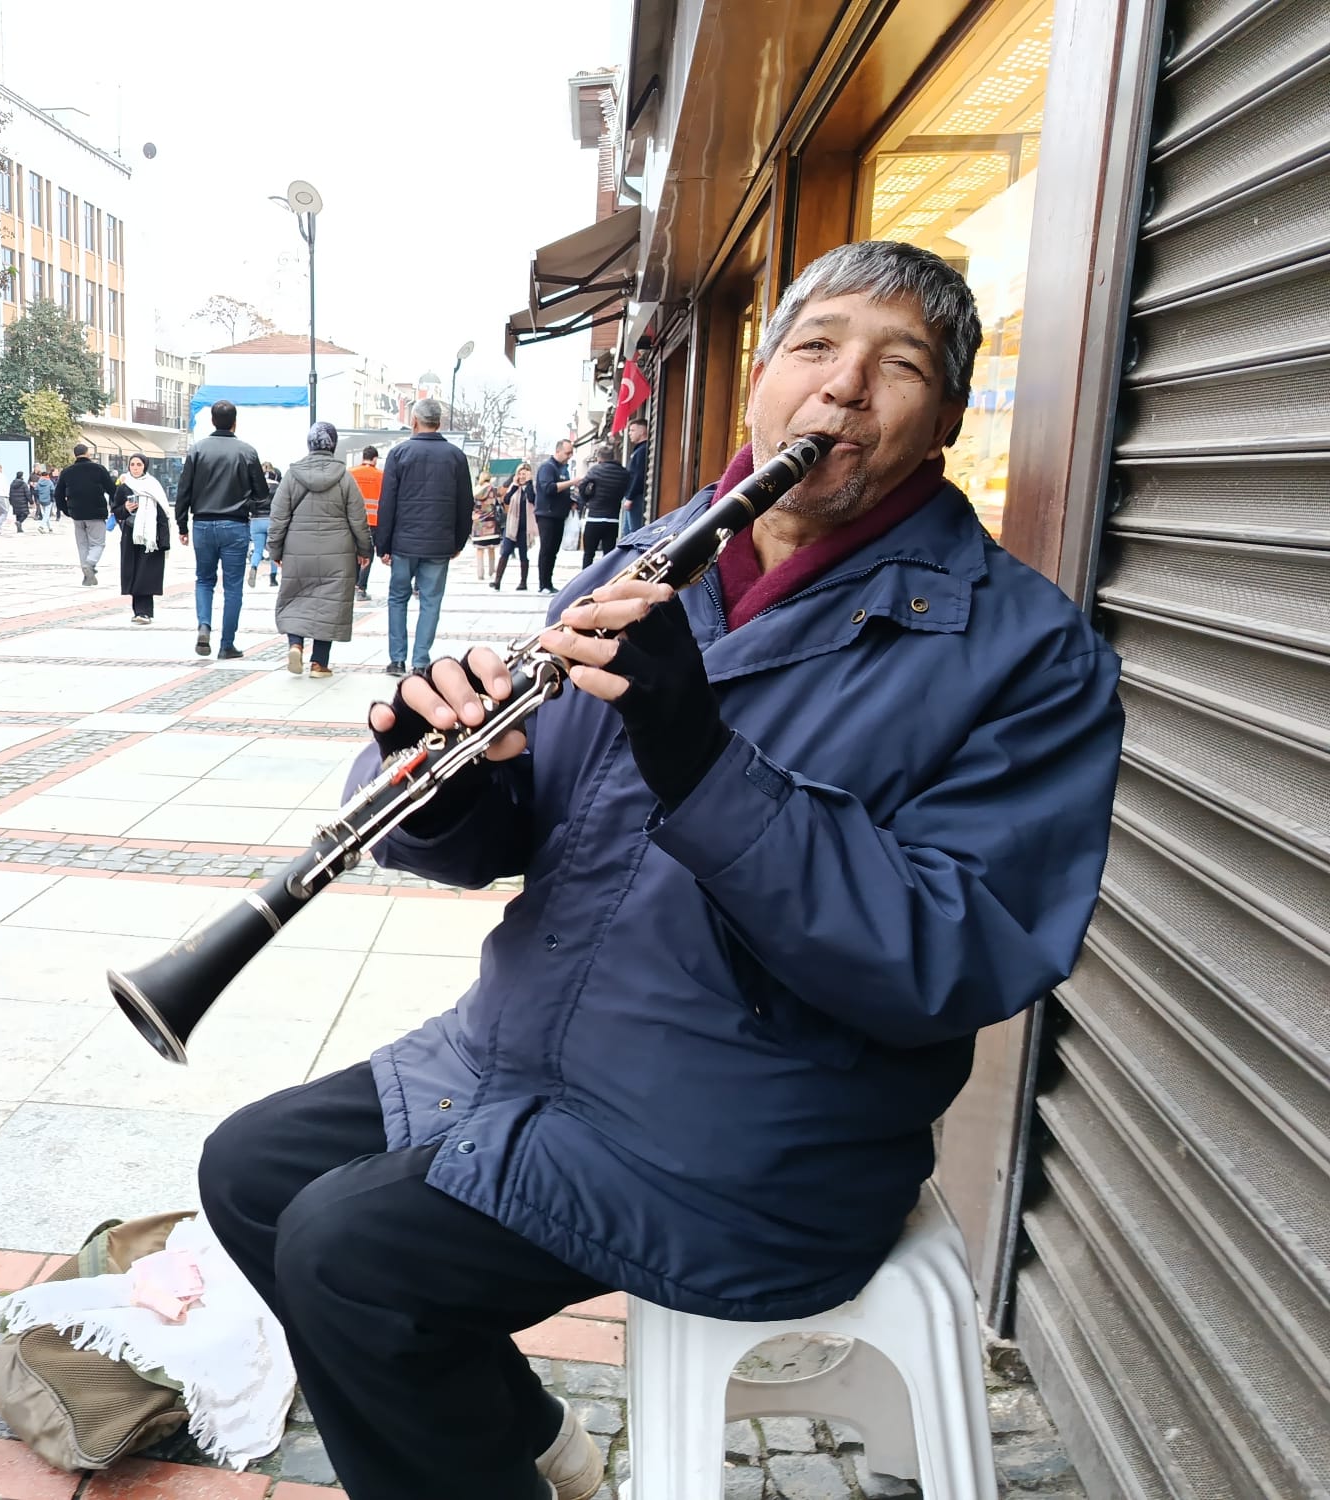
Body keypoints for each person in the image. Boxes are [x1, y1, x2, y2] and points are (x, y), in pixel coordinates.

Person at [198, 240, 1126, 1500]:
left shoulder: (1028, 655)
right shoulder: (646, 563)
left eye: (897, 366)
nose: (842, 387)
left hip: (759, 1134)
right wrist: (447, 783)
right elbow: (521, 824)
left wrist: (702, 761)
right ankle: (534, 1449)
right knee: (250, 1172)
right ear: (760, 376)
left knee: (349, 1257)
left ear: (947, 419)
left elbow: (951, 955)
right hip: (521, 1052)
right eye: (815, 347)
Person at [374, 398, 473, 677]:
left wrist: (383, 544)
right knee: (431, 601)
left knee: (398, 598)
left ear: (414, 421)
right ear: (439, 423)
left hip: (403, 543)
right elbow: (465, 502)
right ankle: (420, 662)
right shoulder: (456, 456)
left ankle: (397, 660)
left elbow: (387, 501)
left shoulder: (399, 453)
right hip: (439, 543)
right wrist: (458, 541)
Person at [269, 421, 372, 678]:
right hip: (338, 552)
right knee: (329, 604)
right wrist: (365, 550)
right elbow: (358, 519)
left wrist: (275, 551)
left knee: (295, 597)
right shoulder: (345, 478)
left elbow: (278, 518)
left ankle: (295, 645)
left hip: (298, 549)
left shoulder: (292, 476)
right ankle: (319, 664)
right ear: (333, 445)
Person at [173, 399, 267, 660]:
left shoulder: (197, 450)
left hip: (202, 523)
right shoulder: (247, 452)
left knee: (204, 580)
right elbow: (261, 493)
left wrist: (182, 524)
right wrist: (246, 502)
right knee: (233, 586)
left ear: (212, 421)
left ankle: (204, 625)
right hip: (235, 525)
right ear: (234, 422)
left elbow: (184, 490)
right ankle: (227, 644)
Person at [115, 453, 172, 623]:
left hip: (150, 537)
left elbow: (163, 513)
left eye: (139, 464)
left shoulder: (153, 485)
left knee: (146, 574)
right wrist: (126, 508)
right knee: (134, 572)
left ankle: (144, 612)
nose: (135, 468)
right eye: (132, 464)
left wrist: (164, 540)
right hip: (131, 535)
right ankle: (139, 611)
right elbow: (116, 511)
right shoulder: (124, 486)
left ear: (145, 466)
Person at [54, 441, 115, 585]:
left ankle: (87, 575)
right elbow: (112, 490)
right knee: (98, 543)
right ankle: (90, 564)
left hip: (77, 514)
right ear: (88, 453)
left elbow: (58, 494)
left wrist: (67, 511)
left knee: (82, 545)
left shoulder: (67, 472)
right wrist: (115, 507)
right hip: (96, 513)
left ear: (75, 455)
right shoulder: (99, 469)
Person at [576, 444, 631, 568]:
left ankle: (586, 578)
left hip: (594, 518)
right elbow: (627, 488)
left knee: (588, 554)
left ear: (599, 458)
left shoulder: (595, 470)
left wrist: (587, 499)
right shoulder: (623, 473)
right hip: (613, 519)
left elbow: (582, 486)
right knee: (608, 556)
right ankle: (606, 578)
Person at [533, 437, 577, 593]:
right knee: (547, 549)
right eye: (567, 453)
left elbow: (562, 491)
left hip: (559, 514)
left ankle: (549, 582)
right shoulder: (548, 468)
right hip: (547, 514)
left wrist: (571, 501)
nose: (569, 456)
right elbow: (549, 488)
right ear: (558, 451)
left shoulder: (564, 469)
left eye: (571, 453)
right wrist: (572, 482)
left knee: (554, 550)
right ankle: (543, 584)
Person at [492, 463, 537, 591]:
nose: (522, 476)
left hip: (524, 526)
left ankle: (523, 582)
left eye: (524, 474)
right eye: (520, 474)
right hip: (511, 525)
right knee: (505, 551)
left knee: (523, 554)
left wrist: (528, 483)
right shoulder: (514, 487)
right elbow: (506, 500)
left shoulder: (531, 487)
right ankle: (497, 581)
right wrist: (515, 485)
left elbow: (532, 499)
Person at [350, 445, 384, 601]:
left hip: (353, 520)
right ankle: (361, 588)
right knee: (367, 554)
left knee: (353, 553)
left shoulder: (350, 473)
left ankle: (352, 584)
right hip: (373, 521)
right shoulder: (381, 475)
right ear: (375, 459)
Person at [248, 461, 280, 588]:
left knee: (257, 550)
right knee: (273, 551)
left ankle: (254, 567)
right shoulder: (278, 488)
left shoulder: (254, 487)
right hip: (271, 520)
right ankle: (273, 578)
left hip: (256, 521)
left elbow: (249, 503)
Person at [621, 417, 650, 537]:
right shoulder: (638, 450)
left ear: (642, 431)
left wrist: (630, 497)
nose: (629, 433)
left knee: (634, 532)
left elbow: (638, 475)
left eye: (632, 430)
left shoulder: (643, 450)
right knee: (627, 532)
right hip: (632, 496)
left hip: (636, 497)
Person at [471, 473, 502, 580]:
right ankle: (491, 571)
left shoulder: (475, 491)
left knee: (479, 550)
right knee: (491, 548)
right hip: (491, 522)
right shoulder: (493, 490)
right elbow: (497, 503)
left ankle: (480, 573)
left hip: (478, 523)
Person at [8, 469, 32, 534]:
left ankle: (19, 529)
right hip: (22, 501)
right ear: (22, 476)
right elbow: (27, 493)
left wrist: (10, 501)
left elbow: (10, 493)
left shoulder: (12, 484)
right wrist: (31, 501)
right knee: (25, 514)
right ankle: (19, 522)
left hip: (15, 502)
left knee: (18, 514)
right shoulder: (23, 484)